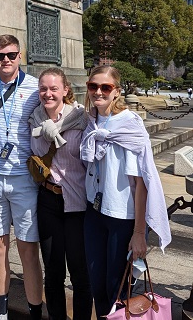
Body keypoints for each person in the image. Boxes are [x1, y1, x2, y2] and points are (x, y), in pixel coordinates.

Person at [80, 65, 171, 318]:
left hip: (122, 216)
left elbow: (141, 181)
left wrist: (139, 232)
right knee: (97, 282)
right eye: (93, 86)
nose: (98, 91)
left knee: (117, 287)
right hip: (94, 211)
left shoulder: (130, 124)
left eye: (105, 87)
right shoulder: (91, 121)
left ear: (116, 92)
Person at [0, 34, 42, 320]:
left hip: (23, 178)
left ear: (20, 56)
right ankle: (0, 311)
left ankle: (35, 312)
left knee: (28, 249)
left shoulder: (34, 86)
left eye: (11, 55)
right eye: (0, 55)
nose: (6, 60)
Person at [29, 68, 92, 320]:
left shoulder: (82, 119)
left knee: (79, 272)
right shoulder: (33, 119)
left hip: (77, 203)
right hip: (48, 200)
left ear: (66, 90)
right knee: (53, 271)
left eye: (54, 88)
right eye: (43, 88)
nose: (48, 94)